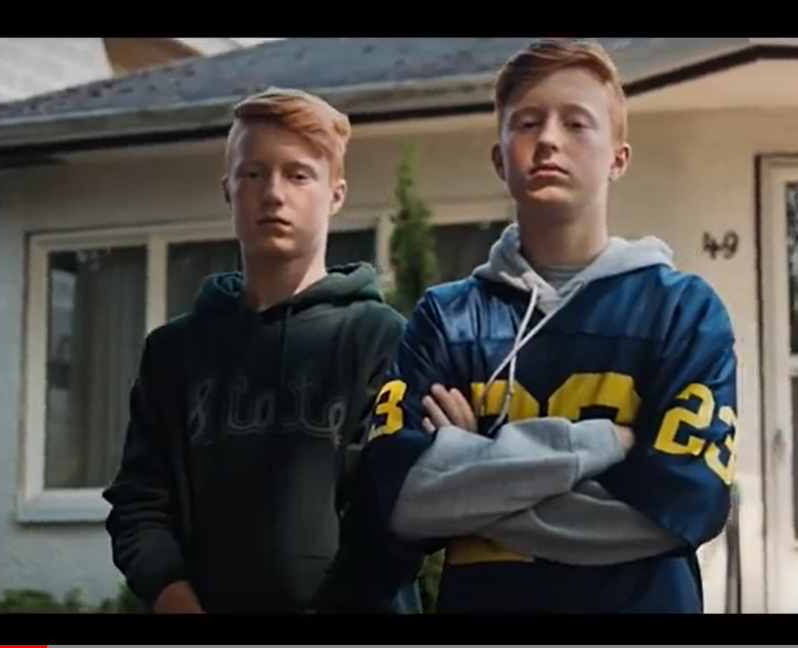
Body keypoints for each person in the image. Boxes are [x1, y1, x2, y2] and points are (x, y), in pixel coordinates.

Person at [359, 39, 738, 613]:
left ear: (618, 158)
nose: (549, 140)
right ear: (499, 159)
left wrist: (471, 466)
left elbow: (685, 507)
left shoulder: (682, 311)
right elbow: (399, 500)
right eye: (527, 122)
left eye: (577, 123)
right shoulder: (447, 317)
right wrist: (600, 446)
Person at [102, 88, 423, 614]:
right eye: (253, 174)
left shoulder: (382, 339)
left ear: (335, 194)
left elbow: (396, 507)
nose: (273, 193)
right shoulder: (174, 353)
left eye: (298, 175)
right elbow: (139, 504)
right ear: (227, 191)